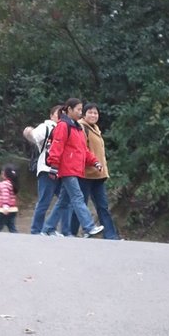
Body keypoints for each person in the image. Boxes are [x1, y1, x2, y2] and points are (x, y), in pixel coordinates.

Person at [41, 98, 104, 237]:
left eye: (81, 110)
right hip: (67, 169)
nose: (80, 113)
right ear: (69, 109)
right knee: (77, 197)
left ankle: (48, 228)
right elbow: (57, 146)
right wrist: (54, 165)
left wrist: (94, 161)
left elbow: (84, 150)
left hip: (75, 169)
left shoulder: (77, 128)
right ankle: (89, 227)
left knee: (63, 201)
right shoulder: (63, 126)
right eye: (78, 110)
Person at [77, 103, 121, 240]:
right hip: (85, 174)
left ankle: (111, 236)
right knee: (79, 204)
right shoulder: (81, 127)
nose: (93, 115)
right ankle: (70, 232)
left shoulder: (95, 128)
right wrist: (93, 163)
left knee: (103, 206)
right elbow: (82, 150)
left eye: (95, 113)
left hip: (98, 175)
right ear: (84, 114)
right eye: (90, 112)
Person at [23, 104, 63, 234]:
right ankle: (36, 230)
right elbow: (34, 136)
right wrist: (29, 132)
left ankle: (51, 229)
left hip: (61, 171)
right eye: (58, 113)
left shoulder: (65, 128)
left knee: (65, 199)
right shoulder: (46, 126)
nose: (61, 116)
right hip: (47, 169)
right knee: (44, 202)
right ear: (51, 115)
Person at [0, 165, 20, 233]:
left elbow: (5, 195)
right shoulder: (11, 183)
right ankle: (18, 239)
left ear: (4, 174)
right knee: (12, 227)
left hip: (4, 210)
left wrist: (5, 206)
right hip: (13, 210)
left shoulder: (5, 184)